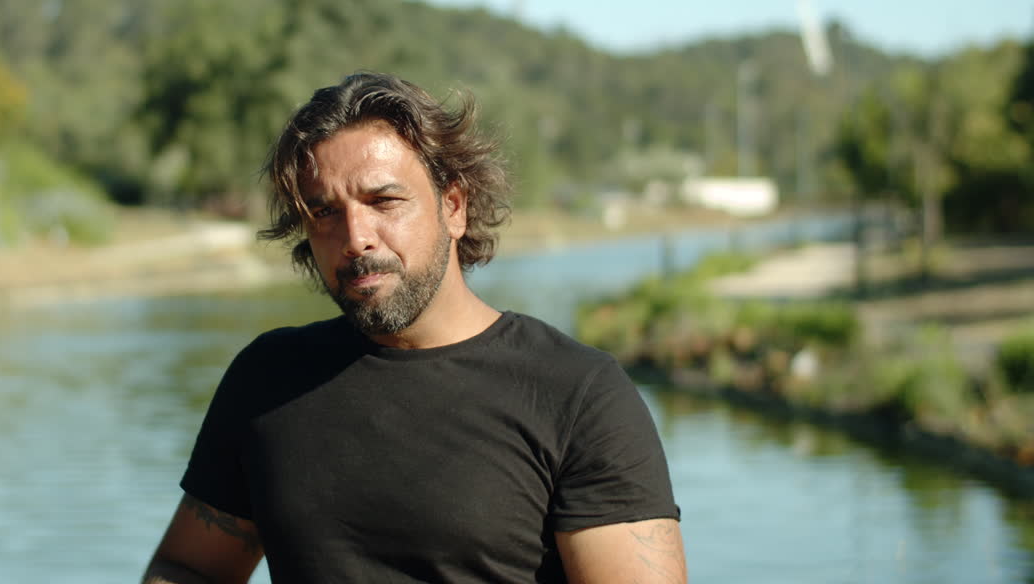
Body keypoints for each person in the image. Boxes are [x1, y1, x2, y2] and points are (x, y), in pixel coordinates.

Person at [142, 72, 685, 584]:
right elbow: (191, 568)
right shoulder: (267, 379)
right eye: (325, 213)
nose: (357, 237)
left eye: (384, 201)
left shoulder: (578, 394)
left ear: (453, 207)